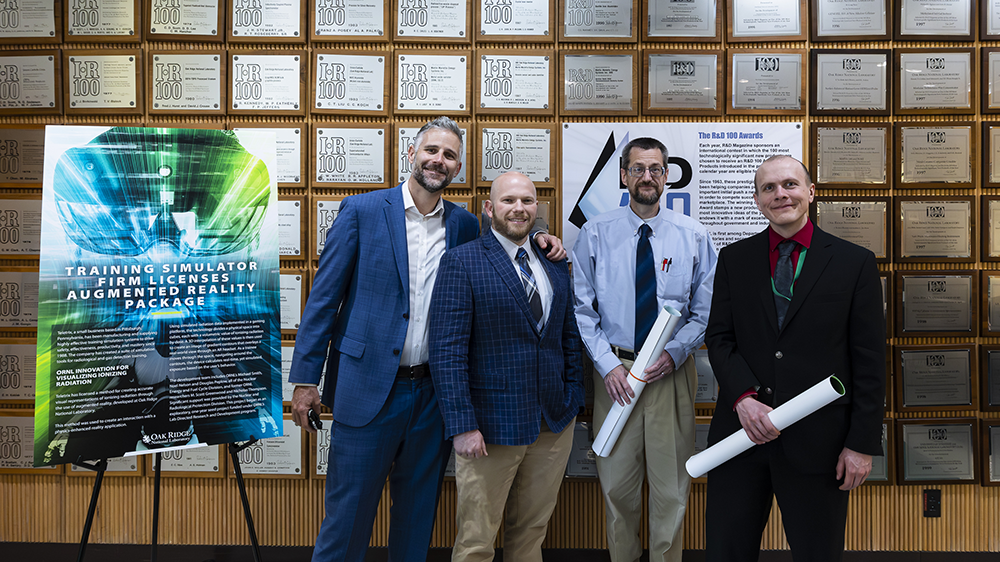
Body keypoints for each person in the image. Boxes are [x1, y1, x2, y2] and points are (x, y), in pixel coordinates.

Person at [288, 117, 565, 562]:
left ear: (458, 168)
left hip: (432, 397)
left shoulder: (460, 224)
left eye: (450, 155)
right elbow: (323, 300)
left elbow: (509, 230)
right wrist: (305, 379)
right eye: (432, 150)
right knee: (346, 521)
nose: (439, 160)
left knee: (416, 523)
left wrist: (539, 235)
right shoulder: (362, 211)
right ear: (411, 155)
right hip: (367, 391)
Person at [704, 155, 885, 562]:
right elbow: (719, 339)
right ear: (757, 200)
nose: (780, 194)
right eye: (769, 188)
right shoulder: (734, 260)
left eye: (789, 184)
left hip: (820, 444)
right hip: (741, 436)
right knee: (725, 551)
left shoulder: (855, 263)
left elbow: (870, 360)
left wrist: (860, 444)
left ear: (810, 192)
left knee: (817, 554)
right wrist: (744, 399)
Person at [572, 137, 717, 562]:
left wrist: (676, 353)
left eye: (655, 169)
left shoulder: (692, 235)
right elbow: (582, 310)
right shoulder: (595, 233)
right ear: (623, 175)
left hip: (670, 374)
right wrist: (606, 365)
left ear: (667, 175)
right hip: (614, 375)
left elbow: (706, 311)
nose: (647, 177)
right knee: (617, 486)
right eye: (638, 168)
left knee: (671, 487)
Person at [429, 171, 586, 562]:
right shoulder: (461, 262)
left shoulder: (553, 263)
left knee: (532, 533)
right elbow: (447, 352)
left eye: (527, 201)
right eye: (508, 201)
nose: (519, 209)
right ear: (489, 208)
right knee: (477, 539)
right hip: (489, 428)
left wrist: (572, 400)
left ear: (537, 208)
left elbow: (568, 337)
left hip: (552, 423)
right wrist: (463, 425)